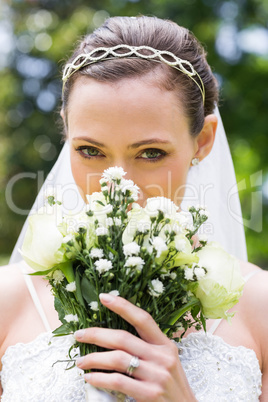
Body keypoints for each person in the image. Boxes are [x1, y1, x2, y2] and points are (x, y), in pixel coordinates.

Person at [0, 15, 267, 401]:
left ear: (203, 141)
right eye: (90, 151)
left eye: (150, 153)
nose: (116, 186)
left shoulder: (260, 308)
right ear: (65, 130)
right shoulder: (8, 300)